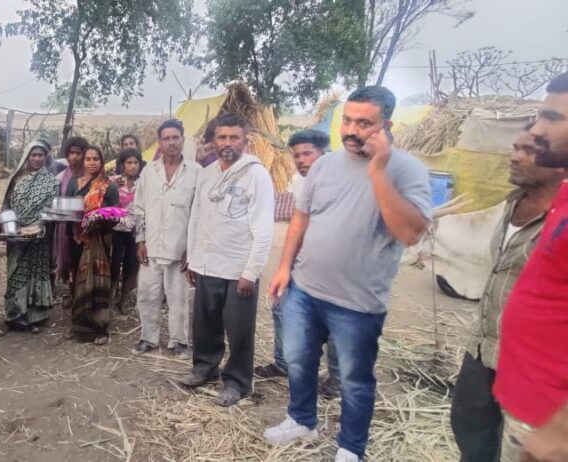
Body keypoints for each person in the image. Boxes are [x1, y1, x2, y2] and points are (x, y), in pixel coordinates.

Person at [263, 86, 432, 462]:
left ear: (387, 125)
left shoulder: (407, 170)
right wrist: (285, 268)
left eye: (364, 123)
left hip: (357, 302)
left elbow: (410, 233)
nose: (352, 131)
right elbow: (300, 218)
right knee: (299, 361)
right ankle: (302, 420)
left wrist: (378, 171)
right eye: (347, 121)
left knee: (355, 381)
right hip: (305, 289)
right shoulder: (324, 165)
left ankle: (351, 447)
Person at [449, 127, 567, 462]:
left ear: (560, 161)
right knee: (470, 432)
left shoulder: (561, 223)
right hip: (482, 348)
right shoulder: (511, 204)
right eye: (515, 148)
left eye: (529, 151)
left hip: (533, 367)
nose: (514, 157)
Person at [492, 72, 568, 462]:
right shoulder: (562, 200)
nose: (537, 130)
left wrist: (560, 428)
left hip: (549, 423)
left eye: (552, 118)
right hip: (528, 406)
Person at [180, 114, 275, 408]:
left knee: (239, 329)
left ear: (245, 141)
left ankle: (237, 382)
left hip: (238, 269)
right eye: (222, 137)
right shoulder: (207, 174)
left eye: (234, 137)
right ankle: (205, 368)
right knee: (205, 323)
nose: (227, 143)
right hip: (207, 263)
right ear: (214, 140)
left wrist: (251, 272)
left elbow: (263, 228)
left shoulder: (256, 175)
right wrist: (194, 259)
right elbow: (196, 218)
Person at [255, 129, 340, 400]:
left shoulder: (341, 184)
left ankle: (337, 379)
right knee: (281, 307)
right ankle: (283, 363)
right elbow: (298, 224)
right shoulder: (299, 181)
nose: (301, 160)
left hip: (335, 266)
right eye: (297, 155)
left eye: (307, 154)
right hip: (301, 261)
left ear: (323, 153)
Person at [131, 119, 200, 359]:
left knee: (178, 298)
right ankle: (148, 337)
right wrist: (140, 240)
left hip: (180, 249)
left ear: (183, 140)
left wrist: (191, 249)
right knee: (147, 294)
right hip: (150, 247)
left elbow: (199, 214)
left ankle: (179, 341)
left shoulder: (196, 172)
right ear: (159, 142)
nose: (171, 142)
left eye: (175, 137)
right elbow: (139, 208)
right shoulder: (149, 171)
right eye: (166, 138)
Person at [1, 141, 61, 333]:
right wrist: (8, 226)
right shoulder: (16, 178)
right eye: (33, 155)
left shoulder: (52, 182)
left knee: (36, 272)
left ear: (46, 157)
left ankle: (35, 317)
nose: (36, 159)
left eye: (40, 155)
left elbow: (52, 209)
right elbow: (6, 205)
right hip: (16, 233)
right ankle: (14, 316)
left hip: (39, 235)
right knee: (15, 272)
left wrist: (39, 226)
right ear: (27, 156)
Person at [66, 146, 120, 344]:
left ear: (102, 161)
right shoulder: (74, 183)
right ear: (83, 161)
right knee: (77, 281)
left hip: (100, 240)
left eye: (96, 159)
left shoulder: (108, 186)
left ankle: (100, 329)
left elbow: (115, 216)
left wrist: (97, 220)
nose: (91, 162)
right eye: (88, 159)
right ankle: (78, 325)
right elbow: (68, 209)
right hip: (76, 238)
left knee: (98, 283)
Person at [109, 148, 145, 313]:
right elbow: (103, 199)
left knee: (131, 265)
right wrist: (111, 188)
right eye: (129, 162)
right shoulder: (114, 181)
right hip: (116, 229)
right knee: (114, 264)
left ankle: (125, 300)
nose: (133, 166)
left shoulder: (143, 183)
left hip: (135, 231)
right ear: (122, 165)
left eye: (136, 162)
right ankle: (110, 297)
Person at [54, 137, 90, 286]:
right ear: (67, 155)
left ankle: (83, 290)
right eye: (71, 153)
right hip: (66, 225)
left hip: (87, 225)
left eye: (78, 153)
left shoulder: (90, 176)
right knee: (71, 257)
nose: (74, 156)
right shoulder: (60, 177)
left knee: (84, 259)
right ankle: (72, 289)